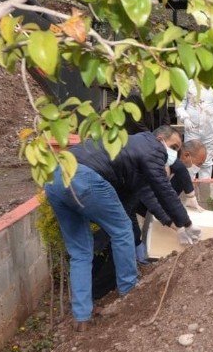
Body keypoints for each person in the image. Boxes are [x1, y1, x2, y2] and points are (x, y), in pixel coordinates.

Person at [45, 126, 200, 330]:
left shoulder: (131, 152)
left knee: (80, 252)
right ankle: (129, 292)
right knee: (123, 230)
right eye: (174, 146)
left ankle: (82, 317)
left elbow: (149, 195)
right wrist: (186, 223)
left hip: (55, 179)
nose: (173, 153)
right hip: (82, 176)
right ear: (160, 139)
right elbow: (164, 189)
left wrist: (173, 224)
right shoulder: (151, 147)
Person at [176, 80, 213, 179]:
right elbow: (179, 106)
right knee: (190, 160)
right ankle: (189, 186)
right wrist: (185, 118)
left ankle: (205, 186)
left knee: (207, 162)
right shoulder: (188, 84)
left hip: (208, 131)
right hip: (192, 130)